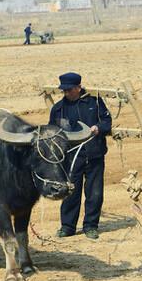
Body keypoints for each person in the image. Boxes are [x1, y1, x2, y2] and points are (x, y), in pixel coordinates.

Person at [48, 72, 112, 239]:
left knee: (95, 193)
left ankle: (90, 226)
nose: (66, 93)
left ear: (78, 87)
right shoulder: (58, 109)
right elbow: (52, 132)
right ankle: (67, 227)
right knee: (70, 192)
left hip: (94, 156)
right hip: (70, 158)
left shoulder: (95, 103)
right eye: (64, 91)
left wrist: (98, 128)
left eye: (69, 90)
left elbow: (107, 122)